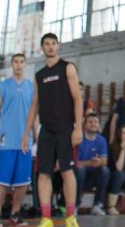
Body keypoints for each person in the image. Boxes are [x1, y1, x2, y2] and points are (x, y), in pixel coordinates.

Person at [24, 33, 84, 227]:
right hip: (46, 130)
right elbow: (34, 105)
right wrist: (26, 134)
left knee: (67, 172)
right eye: (46, 44)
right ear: (42, 48)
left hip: (66, 128)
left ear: (58, 46)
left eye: (53, 44)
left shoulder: (67, 68)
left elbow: (77, 99)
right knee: (43, 173)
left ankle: (71, 216)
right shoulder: (39, 75)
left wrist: (78, 128)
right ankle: (46, 217)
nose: (50, 47)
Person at [0, 53, 35, 226]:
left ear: (25, 65)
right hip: (6, 140)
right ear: (11, 64)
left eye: (21, 62)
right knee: (1, 180)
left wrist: (37, 138)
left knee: (22, 181)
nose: (18, 65)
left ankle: (16, 213)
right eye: (15, 62)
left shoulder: (31, 87)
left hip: (25, 141)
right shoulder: (2, 86)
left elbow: (34, 115)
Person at [74, 113, 110, 215]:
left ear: (99, 125)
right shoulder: (78, 139)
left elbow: (105, 160)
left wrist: (99, 162)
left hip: (93, 177)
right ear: (84, 125)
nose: (93, 124)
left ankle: (97, 205)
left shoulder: (101, 140)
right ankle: (75, 205)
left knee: (105, 170)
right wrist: (90, 163)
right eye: (90, 122)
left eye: (96, 122)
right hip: (79, 176)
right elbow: (74, 162)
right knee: (80, 170)